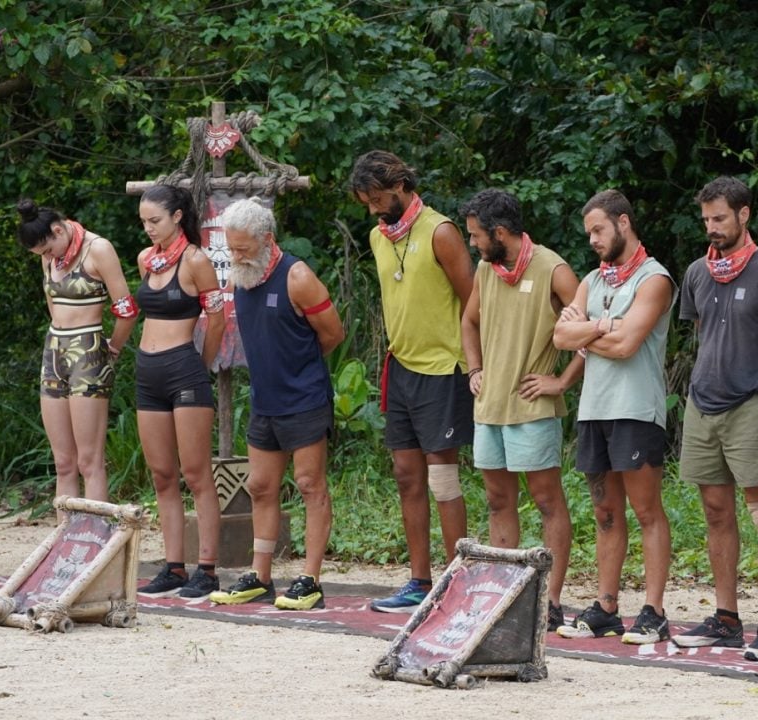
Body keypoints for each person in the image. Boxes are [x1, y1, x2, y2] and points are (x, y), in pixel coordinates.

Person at [669, 178, 758, 660]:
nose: (712, 227)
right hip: (703, 403)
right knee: (715, 510)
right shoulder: (697, 272)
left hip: (753, 403)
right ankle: (726, 618)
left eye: (720, 218)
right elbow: (705, 332)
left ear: (744, 214)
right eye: (706, 219)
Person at [349, 150, 474, 613]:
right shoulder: (378, 237)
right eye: (367, 203)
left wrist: (476, 362)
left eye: (378, 199)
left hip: (443, 367)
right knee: (406, 475)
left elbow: (474, 301)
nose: (373, 210)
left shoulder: (440, 231)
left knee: (442, 476)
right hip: (400, 366)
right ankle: (420, 581)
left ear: (400, 185)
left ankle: (457, 582)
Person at [208, 198, 344, 610]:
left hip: (304, 398)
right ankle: (260, 576)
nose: (236, 256)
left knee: (309, 484)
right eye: (231, 248)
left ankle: (310, 580)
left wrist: (298, 369)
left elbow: (332, 334)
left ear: (266, 239)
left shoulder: (297, 276)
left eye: (243, 248)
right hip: (264, 400)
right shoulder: (241, 277)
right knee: (261, 486)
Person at [553, 189, 675, 645]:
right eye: (589, 233)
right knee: (605, 511)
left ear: (623, 222)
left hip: (636, 409)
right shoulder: (591, 280)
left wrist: (587, 332)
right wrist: (604, 325)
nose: (593, 240)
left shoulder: (654, 278)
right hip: (595, 410)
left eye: (599, 230)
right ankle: (606, 607)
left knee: (646, 510)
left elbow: (627, 346)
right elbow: (560, 336)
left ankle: (654, 611)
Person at [458, 189, 579, 632]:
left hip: (532, 407)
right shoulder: (486, 270)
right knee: (497, 500)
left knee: (547, 500)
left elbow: (589, 330)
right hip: (490, 406)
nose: (472, 243)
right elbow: (469, 321)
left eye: (476, 235)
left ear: (500, 233)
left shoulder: (553, 269)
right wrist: (474, 368)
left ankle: (551, 600)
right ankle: (505, 595)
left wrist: (562, 381)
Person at [134, 185, 226, 599]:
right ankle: (173, 566)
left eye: (155, 220)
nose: (149, 228)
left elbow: (217, 320)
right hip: (147, 372)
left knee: (196, 472)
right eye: (143, 222)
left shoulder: (196, 261)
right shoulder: (145, 259)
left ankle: (207, 569)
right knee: (162, 474)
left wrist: (199, 366)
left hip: (183, 369)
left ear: (176, 216)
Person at [16, 199, 138, 506]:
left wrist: (113, 348)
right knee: (63, 462)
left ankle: (94, 534)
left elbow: (127, 310)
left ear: (58, 230)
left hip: (88, 351)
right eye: (41, 255)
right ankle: (65, 536)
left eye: (47, 250)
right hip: (54, 351)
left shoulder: (98, 249)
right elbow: (52, 303)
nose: (47, 257)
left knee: (89, 461)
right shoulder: (49, 256)